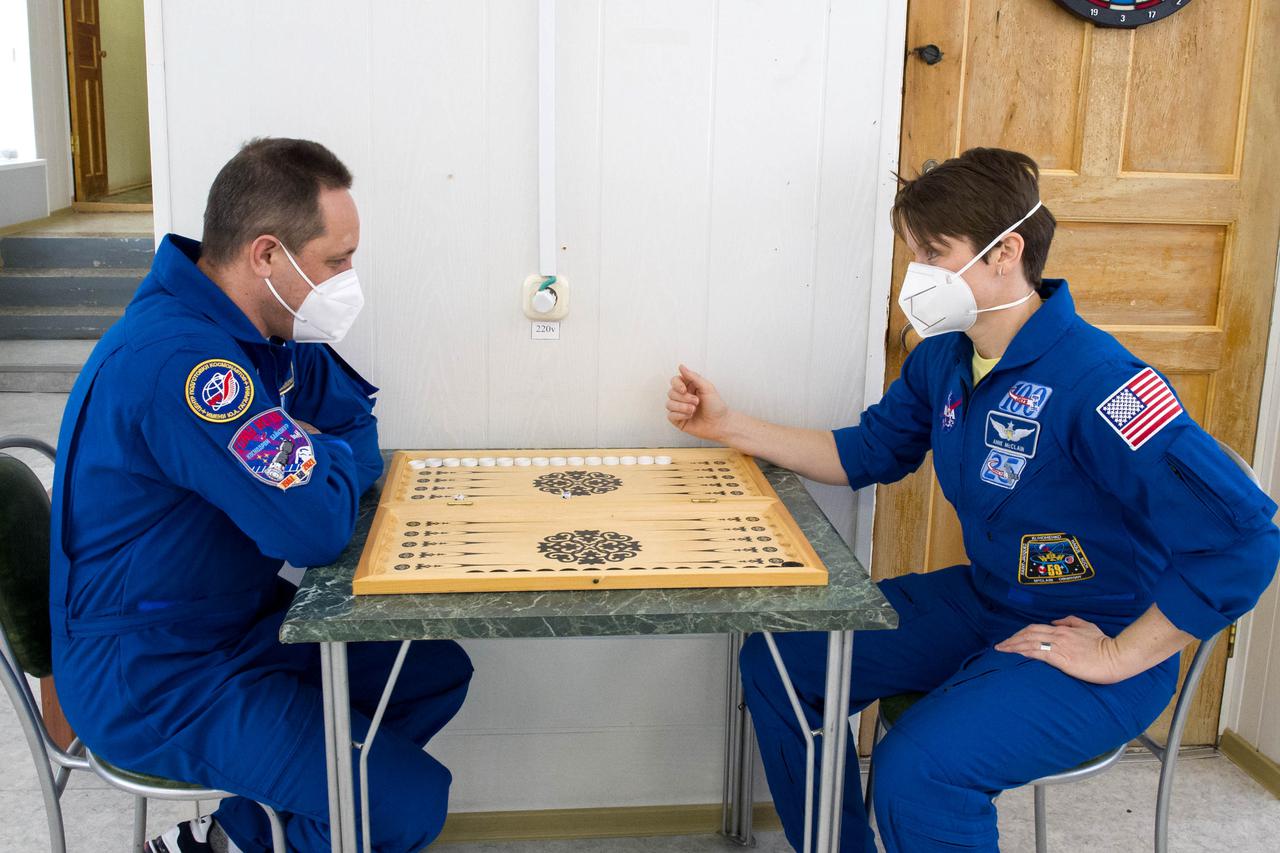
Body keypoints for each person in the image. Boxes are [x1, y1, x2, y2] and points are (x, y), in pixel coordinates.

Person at [665, 147, 1279, 852]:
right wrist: (726, 424)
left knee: (918, 771)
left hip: (1095, 630)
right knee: (781, 656)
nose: (916, 274)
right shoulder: (945, 357)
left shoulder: (1101, 382)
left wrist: (1115, 654)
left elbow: (1246, 538)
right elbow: (864, 453)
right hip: (989, 601)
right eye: (912, 253)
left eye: (933, 251)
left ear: (1004, 252)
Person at [50, 138, 473, 853]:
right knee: (407, 805)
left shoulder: (265, 329)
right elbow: (314, 530)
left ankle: (238, 835)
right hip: (155, 665)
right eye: (336, 259)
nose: (349, 278)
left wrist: (318, 451)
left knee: (428, 667)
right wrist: (320, 458)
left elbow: (354, 423)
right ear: (267, 255)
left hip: (230, 624)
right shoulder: (189, 367)